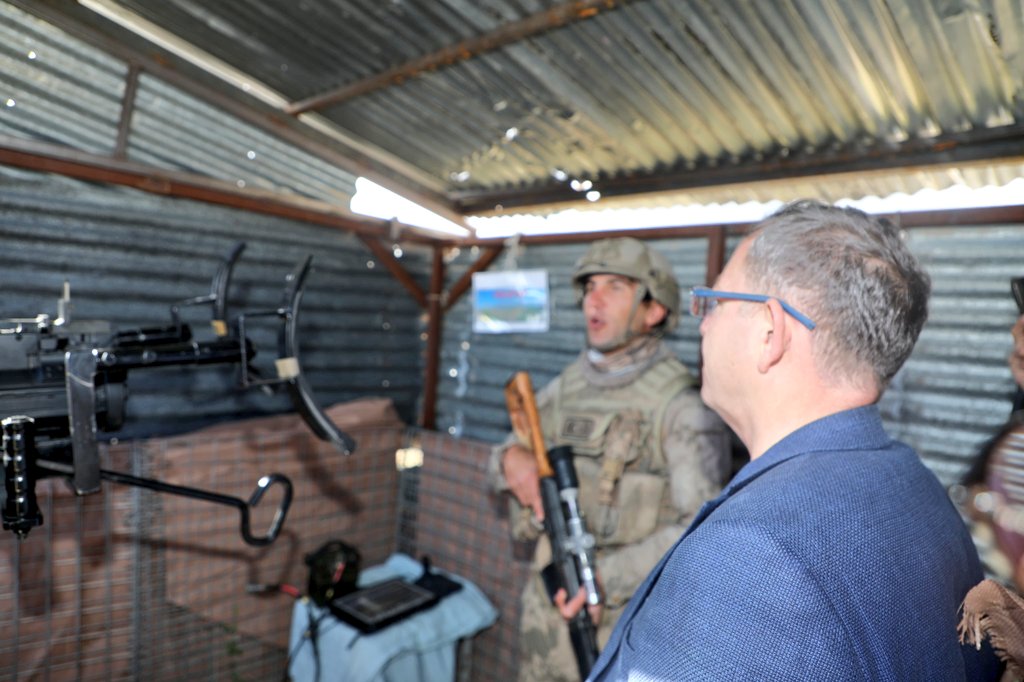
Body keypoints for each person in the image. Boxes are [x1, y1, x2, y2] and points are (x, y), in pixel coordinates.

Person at [587, 200, 1000, 681]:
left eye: (715, 303)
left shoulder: (749, 559)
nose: (703, 324)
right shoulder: (920, 490)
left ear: (769, 332)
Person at [489, 237, 731, 682]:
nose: (593, 300)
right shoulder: (567, 387)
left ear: (653, 309)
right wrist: (511, 461)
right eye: (589, 287)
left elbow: (699, 532)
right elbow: (502, 453)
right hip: (545, 619)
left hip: (622, 624)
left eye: (615, 287)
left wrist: (602, 578)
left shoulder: (682, 407)